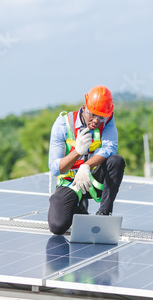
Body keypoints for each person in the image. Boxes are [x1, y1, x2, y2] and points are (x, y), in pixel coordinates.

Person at [47, 85, 125, 235]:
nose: (96, 120)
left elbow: (110, 147)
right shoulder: (63, 124)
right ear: (84, 108)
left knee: (116, 161)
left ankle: (104, 215)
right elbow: (55, 168)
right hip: (71, 182)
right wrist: (77, 152)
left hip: (93, 179)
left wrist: (86, 166)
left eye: (101, 117)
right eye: (93, 115)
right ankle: (78, 204)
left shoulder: (107, 120)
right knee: (57, 226)